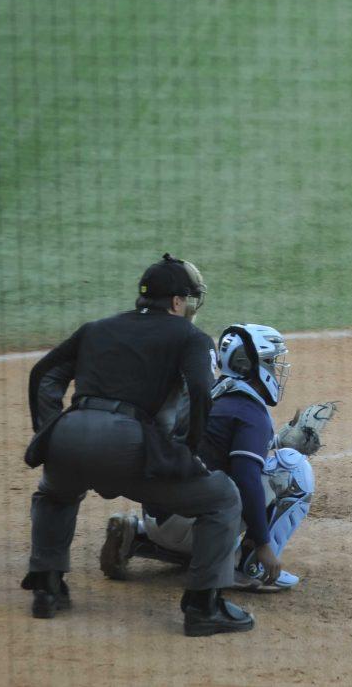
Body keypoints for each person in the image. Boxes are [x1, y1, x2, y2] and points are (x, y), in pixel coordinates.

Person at [22, 254, 256, 636]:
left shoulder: (96, 328)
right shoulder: (190, 337)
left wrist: (50, 434)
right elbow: (200, 389)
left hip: (70, 432)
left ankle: (47, 588)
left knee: (55, 493)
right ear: (178, 303)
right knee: (222, 498)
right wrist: (187, 451)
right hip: (127, 445)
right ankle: (203, 606)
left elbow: (43, 375)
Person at [99, 323, 321, 592]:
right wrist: (262, 543)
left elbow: (215, 447)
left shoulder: (211, 393)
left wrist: (276, 440)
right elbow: (247, 478)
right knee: (294, 467)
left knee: (209, 488)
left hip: (159, 517)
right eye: (270, 361)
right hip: (196, 525)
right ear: (248, 364)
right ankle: (250, 565)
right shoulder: (250, 411)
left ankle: (140, 535)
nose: (275, 369)